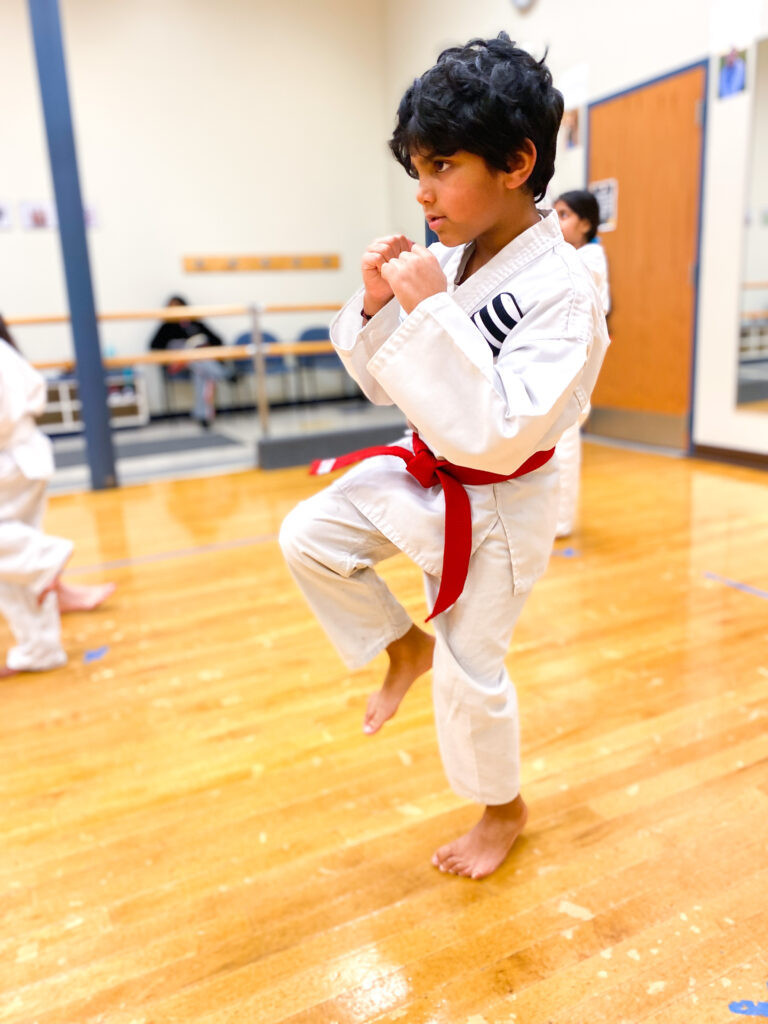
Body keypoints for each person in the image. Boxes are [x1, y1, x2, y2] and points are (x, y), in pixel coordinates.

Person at [279, 34, 609, 879]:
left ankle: (504, 809)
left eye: (441, 166)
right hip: (426, 464)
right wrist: (381, 304)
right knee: (309, 536)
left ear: (516, 161)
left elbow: (497, 433)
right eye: (415, 170)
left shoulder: (566, 293)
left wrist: (431, 319)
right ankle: (401, 646)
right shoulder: (455, 257)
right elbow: (387, 388)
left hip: (499, 504)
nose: (422, 193)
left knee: (472, 670)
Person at [0, 316, 115, 677]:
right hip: (21, 458)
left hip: (11, 460)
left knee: (20, 558)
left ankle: (48, 557)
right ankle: (39, 649)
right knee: (13, 572)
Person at [553, 189, 611, 537]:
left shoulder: (589, 258)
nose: (556, 222)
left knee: (565, 443)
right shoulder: (577, 255)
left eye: (564, 215)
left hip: (575, 365)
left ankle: (561, 521)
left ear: (586, 223)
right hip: (564, 361)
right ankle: (552, 518)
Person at [148, 295, 234, 428]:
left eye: (178, 307)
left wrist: (204, 345)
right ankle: (225, 374)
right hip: (179, 364)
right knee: (196, 359)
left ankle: (202, 415)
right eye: (172, 308)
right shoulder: (166, 327)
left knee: (200, 372)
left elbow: (217, 340)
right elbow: (154, 346)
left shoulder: (196, 323)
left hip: (197, 364)